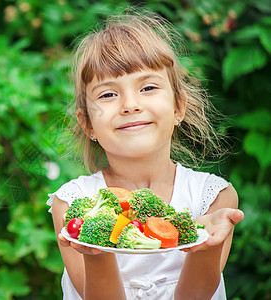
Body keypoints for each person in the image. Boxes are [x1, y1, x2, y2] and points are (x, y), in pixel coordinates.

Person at [46, 8, 244, 300]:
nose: (130, 105)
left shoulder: (212, 198)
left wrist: (208, 248)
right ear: (88, 123)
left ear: (178, 107)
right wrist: (96, 252)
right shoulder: (74, 203)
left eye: (148, 87)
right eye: (108, 95)